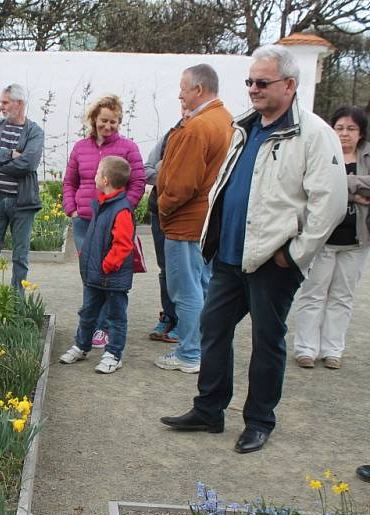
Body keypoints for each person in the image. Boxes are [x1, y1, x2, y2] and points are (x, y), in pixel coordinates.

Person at [160, 45, 347, 453]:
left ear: (290, 85)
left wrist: (293, 255)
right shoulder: (245, 126)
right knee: (213, 329)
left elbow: (329, 204)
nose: (253, 89)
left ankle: (259, 421)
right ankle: (209, 409)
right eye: (249, 81)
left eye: (262, 82)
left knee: (267, 341)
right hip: (229, 257)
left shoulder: (313, 134)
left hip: (272, 262)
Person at [154, 64, 232, 374]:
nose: (180, 94)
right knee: (202, 287)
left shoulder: (197, 127)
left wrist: (163, 205)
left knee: (185, 290)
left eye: (184, 88)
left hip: (187, 223)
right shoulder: (225, 120)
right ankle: (200, 349)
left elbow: (180, 184)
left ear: (198, 89)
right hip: (209, 221)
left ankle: (189, 353)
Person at [63, 94, 146, 349]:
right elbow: (70, 181)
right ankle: (92, 325)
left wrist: (120, 210)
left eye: (114, 122)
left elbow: (138, 182)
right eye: (104, 121)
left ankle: (105, 327)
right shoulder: (80, 148)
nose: (108, 127)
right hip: (84, 221)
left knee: (111, 274)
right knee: (90, 274)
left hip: (112, 223)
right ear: (94, 119)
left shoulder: (128, 148)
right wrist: (72, 210)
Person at [293, 106, 370, 370]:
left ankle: (332, 349)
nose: (345, 134)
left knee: (342, 296)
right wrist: (356, 192)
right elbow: (314, 186)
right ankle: (305, 348)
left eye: (351, 129)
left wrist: (343, 185)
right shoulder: (322, 151)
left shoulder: (367, 156)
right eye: (340, 128)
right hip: (323, 238)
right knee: (313, 293)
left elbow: (334, 185)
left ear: (361, 133)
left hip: (357, 241)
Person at [58, 156, 134, 374]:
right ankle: (82, 346)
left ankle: (113, 354)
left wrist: (107, 266)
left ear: (106, 179)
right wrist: (87, 256)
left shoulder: (121, 209)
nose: (94, 175)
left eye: (97, 172)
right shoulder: (101, 204)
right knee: (88, 312)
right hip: (95, 275)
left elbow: (122, 244)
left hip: (111, 276)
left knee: (116, 317)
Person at [0, 83, 44, 294]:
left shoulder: (34, 131)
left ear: (19, 103)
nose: (1, 107)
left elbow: (28, 164)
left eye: (5, 102)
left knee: (20, 257)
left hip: (22, 203)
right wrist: (9, 154)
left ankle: (17, 305)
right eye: (1, 102)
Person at [143, 106, 189, 343]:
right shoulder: (170, 135)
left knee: (187, 271)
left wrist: (168, 172)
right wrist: (169, 171)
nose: (185, 109)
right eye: (182, 105)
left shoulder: (203, 134)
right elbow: (147, 171)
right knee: (165, 270)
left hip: (188, 216)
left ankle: (186, 321)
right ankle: (169, 315)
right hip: (160, 212)